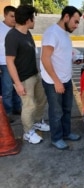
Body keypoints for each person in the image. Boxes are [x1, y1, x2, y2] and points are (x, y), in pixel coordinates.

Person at [5, 5, 50, 144]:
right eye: (33, 18)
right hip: (23, 79)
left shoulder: (27, 33)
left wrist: (38, 72)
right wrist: (17, 84)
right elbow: (9, 61)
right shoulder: (12, 36)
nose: (34, 21)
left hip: (34, 74)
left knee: (42, 100)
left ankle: (37, 122)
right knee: (28, 105)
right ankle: (28, 132)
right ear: (27, 20)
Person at [40, 6, 82, 150]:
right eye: (75, 22)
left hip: (66, 79)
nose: (76, 25)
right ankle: (56, 138)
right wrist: (57, 81)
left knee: (67, 109)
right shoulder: (52, 33)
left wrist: (74, 59)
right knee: (56, 111)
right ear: (66, 17)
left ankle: (66, 133)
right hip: (53, 82)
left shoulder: (64, 34)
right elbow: (45, 58)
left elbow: (62, 54)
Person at [0, 5, 22, 122]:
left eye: (15, 16)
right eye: (11, 16)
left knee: (16, 87)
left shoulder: (16, 28)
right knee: (7, 89)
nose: (14, 19)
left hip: (16, 63)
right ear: (5, 15)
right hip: (4, 63)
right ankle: (7, 113)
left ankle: (17, 108)